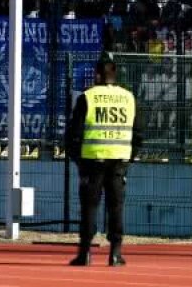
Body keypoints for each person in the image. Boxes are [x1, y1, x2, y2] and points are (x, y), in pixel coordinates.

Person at [65, 51, 143, 267]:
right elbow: (138, 134)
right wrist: (129, 159)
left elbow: (73, 134)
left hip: (92, 162)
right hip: (119, 162)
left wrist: (78, 160)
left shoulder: (87, 97)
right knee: (116, 207)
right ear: (115, 75)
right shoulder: (128, 98)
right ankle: (116, 253)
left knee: (90, 207)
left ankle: (85, 253)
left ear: (97, 75)